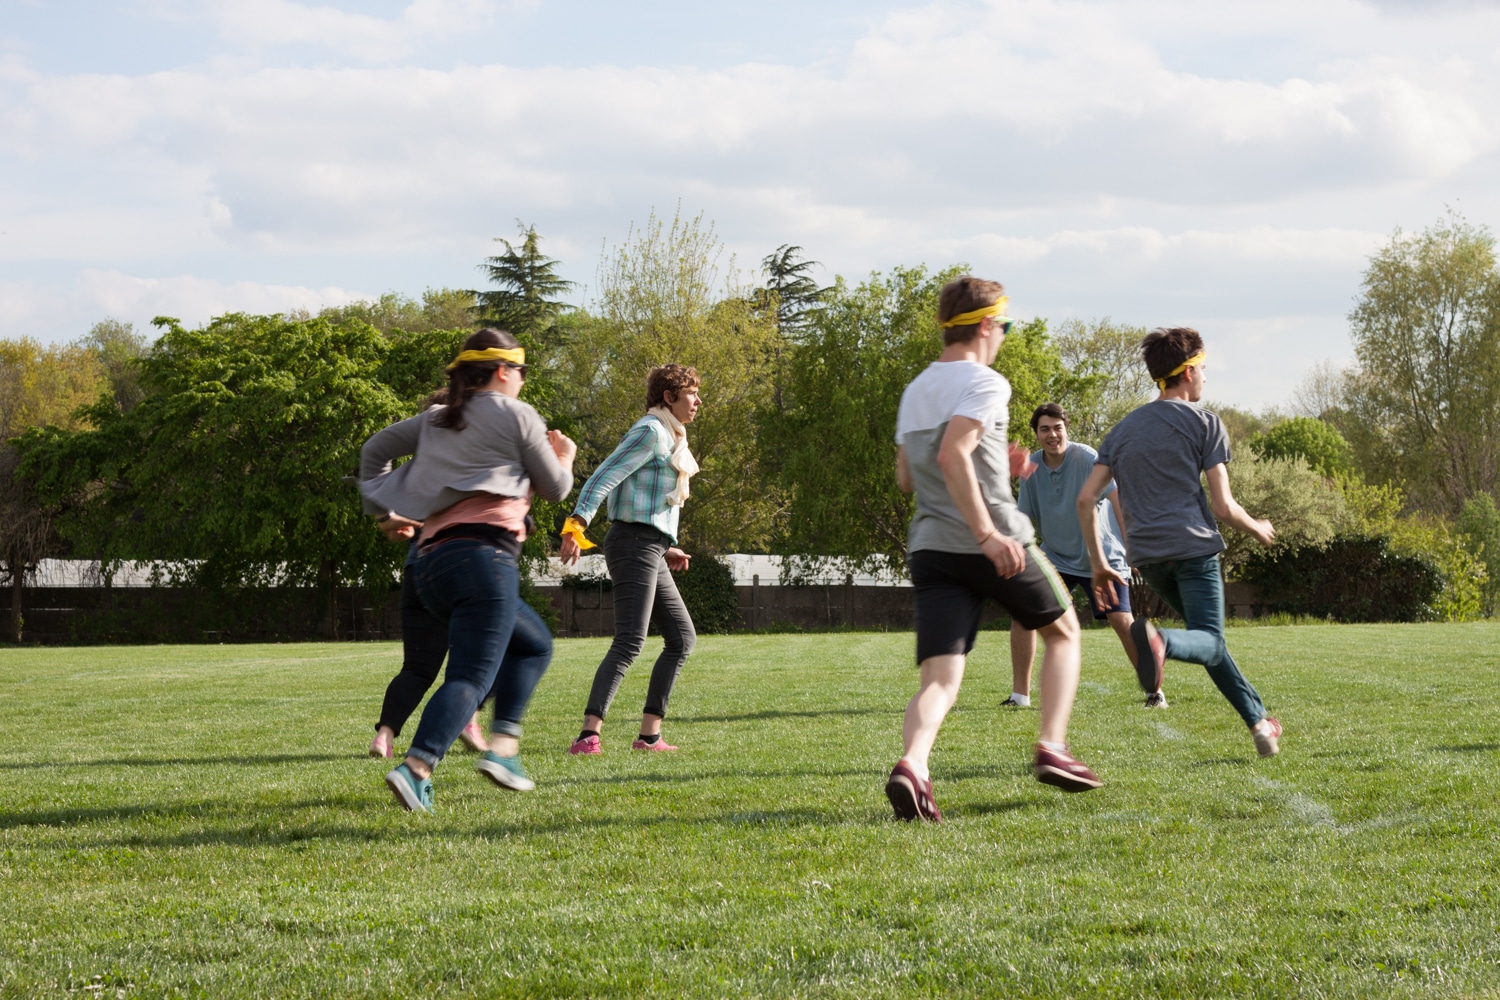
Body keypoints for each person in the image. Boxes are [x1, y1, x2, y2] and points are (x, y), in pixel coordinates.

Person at [886, 277, 1101, 824]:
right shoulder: (986, 382)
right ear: (985, 325)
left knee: (940, 679)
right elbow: (956, 456)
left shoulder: (916, 390)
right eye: (1003, 326)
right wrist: (986, 533)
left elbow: (909, 476)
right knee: (1065, 632)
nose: (1003, 335)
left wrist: (995, 468)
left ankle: (913, 765)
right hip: (994, 542)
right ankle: (1052, 745)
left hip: (932, 549)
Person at [359, 329, 576, 812]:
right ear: (503, 370)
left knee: (533, 643)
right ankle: (418, 768)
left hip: (431, 564)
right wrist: (566, 456)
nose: (521, 380)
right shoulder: (517, 414)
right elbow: (557, 488)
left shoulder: (435, 419)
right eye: (521, 371)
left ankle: (503, 749)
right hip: (485, 558)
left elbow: (373, 454)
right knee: (471, 675)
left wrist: (385, 513)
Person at [1076, 327, 1282, 758]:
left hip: (1147, 557)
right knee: (1205, 638)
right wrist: (1257, 527)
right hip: (1193, 550)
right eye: (1203, 368)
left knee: (1210, 644)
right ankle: (1161, 642)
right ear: (1187, 372)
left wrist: (1098, 563)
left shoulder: (1122, 431)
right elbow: (1223, 507)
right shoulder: (1206, 423)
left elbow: (1084, 499)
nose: (1206, 376)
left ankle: (1260, 724)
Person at [559, 364, 701, 755]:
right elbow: (604, 476)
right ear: (669, 397)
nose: (698, 400)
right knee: (630, 642)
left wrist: (665, 543)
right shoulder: (650, 431)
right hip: (633, 544)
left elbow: (643, 497)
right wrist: (575, 526)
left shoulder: (671, 436)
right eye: (691, 393)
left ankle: (649, 736)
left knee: (681, 638)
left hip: (648, 544)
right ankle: (588, 736)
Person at [1010, 403, 1168, 709]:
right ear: (1037, 434)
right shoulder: (1030, 468)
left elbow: (1117, 497)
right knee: (1023, 615)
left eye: (1058, 427)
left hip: (1101, 558)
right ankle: (1020, 696)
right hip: (1056, 556)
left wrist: (1132, 544)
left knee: (1122, 620)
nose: (1052, 434)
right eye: (1045, 429)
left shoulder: (1087, 458)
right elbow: (1024, 517)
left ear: (1066, 429)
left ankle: (1155, 692)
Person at [366, 388, 489, 761]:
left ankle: (384, 737)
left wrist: (387, 517)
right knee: (494, 652)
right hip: (462, 570)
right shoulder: (473, 456)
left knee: (417, 667)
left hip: (418, 571)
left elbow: (375, 465)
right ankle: (469, 718)